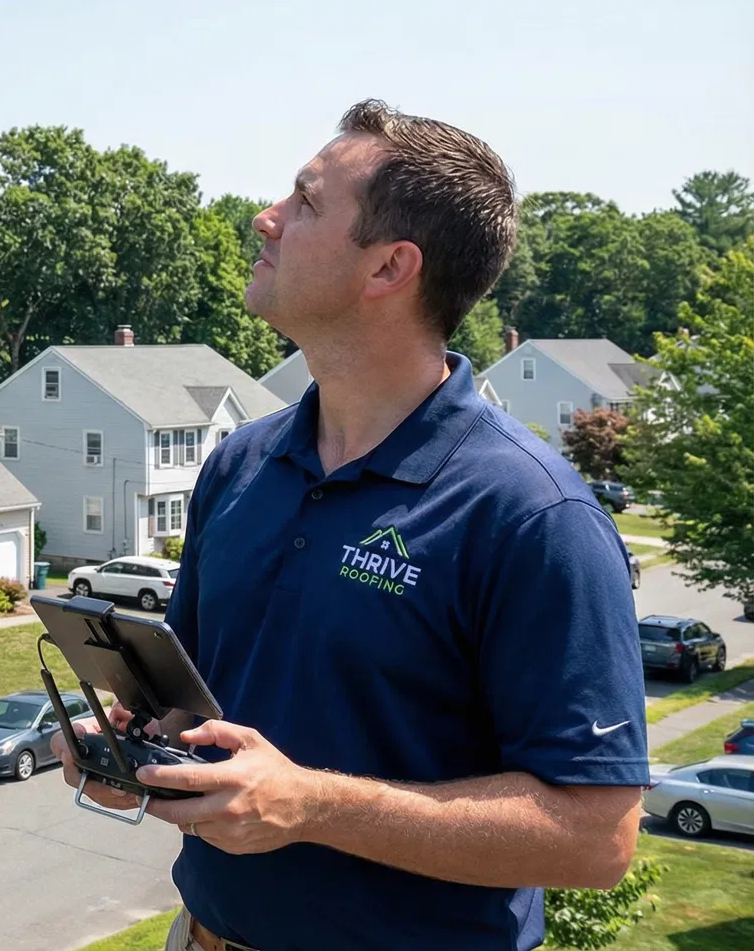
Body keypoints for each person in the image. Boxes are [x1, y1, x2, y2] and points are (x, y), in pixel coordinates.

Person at [56, 101, 646, 951]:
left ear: (387, 269)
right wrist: (138, 747)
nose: (265, 217)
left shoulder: (531, 516)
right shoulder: (243, 463)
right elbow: (198, 707)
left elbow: (597, 838)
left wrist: (312, 804)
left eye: (303, 203)